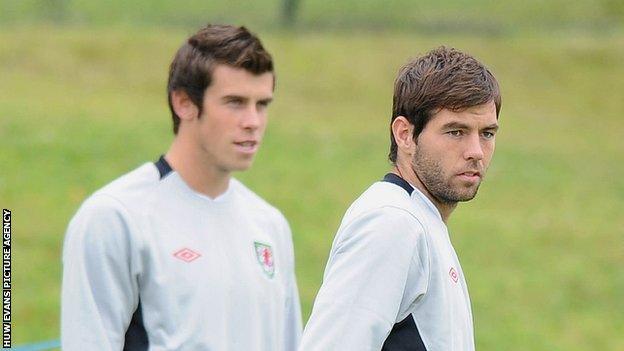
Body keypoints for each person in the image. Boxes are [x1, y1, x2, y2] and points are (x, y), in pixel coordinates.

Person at [61, 24, 302, 351]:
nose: (253, 121)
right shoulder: (115, 218)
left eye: (262, 104)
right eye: (235, 102)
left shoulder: (271, 226)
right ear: (184, 103)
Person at [299, 46, 501, 350]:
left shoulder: (421, 220)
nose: (475, 151)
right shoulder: (392, 224)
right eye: (456, 132)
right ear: (405, 134)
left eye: (486, 133)